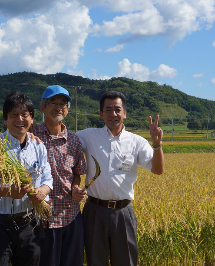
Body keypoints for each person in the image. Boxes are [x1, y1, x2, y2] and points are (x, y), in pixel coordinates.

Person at [76, 91, 164, 266]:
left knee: (126, 261)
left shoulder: (136, 141)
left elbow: (157, 170)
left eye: (117, 109)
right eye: (108, 110)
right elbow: (62, 139)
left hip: (123, 212)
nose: (113, 114)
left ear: (124, 113)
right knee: (95, 261)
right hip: (94, 210)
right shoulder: (87, 136)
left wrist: (156, 144)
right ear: (101, 114)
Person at [0, 91, 53, 266]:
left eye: (25, 115)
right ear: (5, 119)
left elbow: (48, 177)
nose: (20, 119)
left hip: (28, 223)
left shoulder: (38, 147)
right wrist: (6, 191)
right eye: (14, 115)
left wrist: (43, 191)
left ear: (32, 119)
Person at [32, 85, 87, 266]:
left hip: (70, 214)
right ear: (43, 108)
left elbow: (77, 173)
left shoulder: (74, 140)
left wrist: (75, 188)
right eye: (53, 103)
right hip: (41, 219)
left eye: (63, 103)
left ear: (68, 110)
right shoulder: (30, 134)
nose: (59, 107)